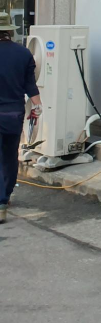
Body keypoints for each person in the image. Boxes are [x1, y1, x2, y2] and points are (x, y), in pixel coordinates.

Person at [0, 12, 40, 224]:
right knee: (9, 156)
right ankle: (6, 195)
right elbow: (30, 85)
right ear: (9, 31)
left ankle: (0, 201)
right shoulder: (24, 53)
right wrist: (37, 107)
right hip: (13, 114)